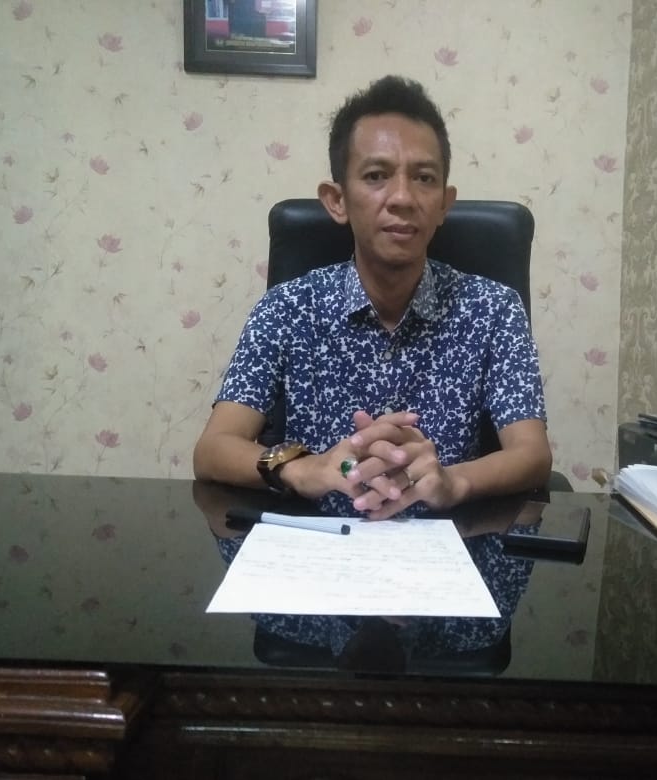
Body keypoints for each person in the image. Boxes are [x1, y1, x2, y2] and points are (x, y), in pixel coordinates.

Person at [193, 74, 551, 520]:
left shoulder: (494, 309)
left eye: (424, 178)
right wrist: (303, 468)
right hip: (315, 546)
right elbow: (213, 448)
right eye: (376, 176)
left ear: (444, 203)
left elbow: (532, 454)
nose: (402, 197)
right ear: (337, 201)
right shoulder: (287, 308)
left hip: (447, 546)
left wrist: (452, 480)